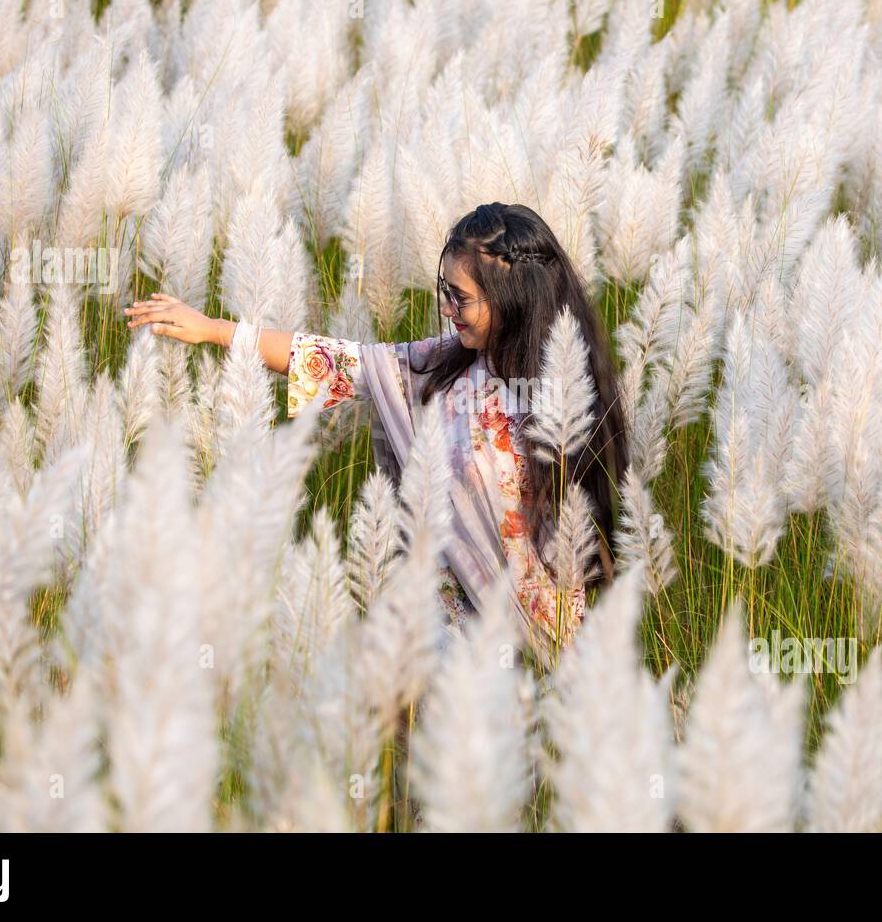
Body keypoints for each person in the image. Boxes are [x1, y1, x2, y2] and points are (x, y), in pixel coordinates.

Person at [123, 202, 628, 669]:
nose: (449, 310)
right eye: (445, 293)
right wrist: (217, 331)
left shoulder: (567, 394)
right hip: (442, 645)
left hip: (537, 650)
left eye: (462, 299)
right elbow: (347, 364)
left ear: (511, 298)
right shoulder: (448, 365)